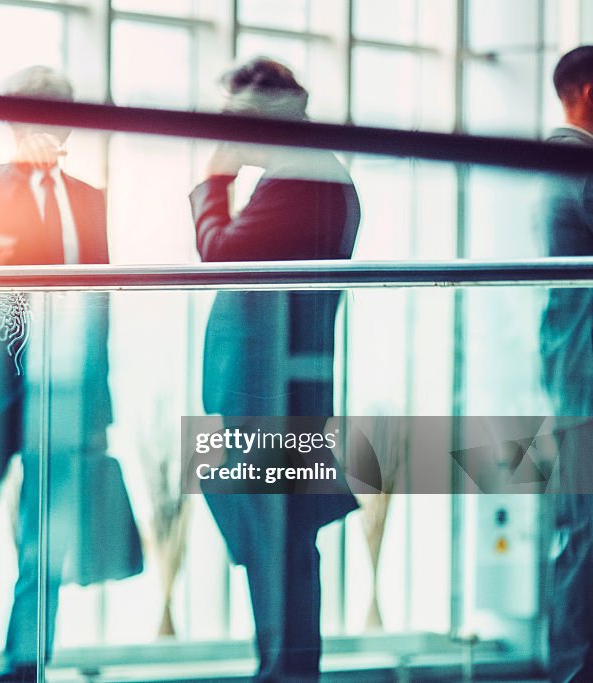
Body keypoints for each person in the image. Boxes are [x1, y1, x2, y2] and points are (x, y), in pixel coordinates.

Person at [0, 66, 141, 683]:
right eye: (35, 113)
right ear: (12, 120)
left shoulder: (89, 197)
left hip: (63, 390)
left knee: (46, 543)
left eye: (59, 113)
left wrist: (98, 396)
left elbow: (101, 299)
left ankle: (24, 667)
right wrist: (25, 171)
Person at [189, 58, 360, 682]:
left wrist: (212, 180)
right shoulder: (312, 175)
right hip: (280, 385)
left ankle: (283, 671)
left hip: (271, 391)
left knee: (277, 541)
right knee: (281, 540)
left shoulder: (300, 180)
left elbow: (219, 254)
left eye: (229, 119)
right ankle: (285, 668)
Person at [539, 44, 593, 683]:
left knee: (580, 534)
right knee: (586, 538)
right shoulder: (576, 163)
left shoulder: (553, 162)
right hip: (585, 378)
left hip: (573, 374)